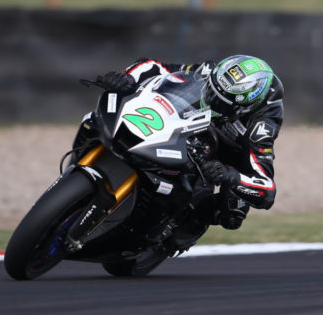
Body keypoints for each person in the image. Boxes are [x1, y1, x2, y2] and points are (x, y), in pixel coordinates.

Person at [77, 54, 283, 235]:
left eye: (220, 101)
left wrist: (228, 174)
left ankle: (170, 234)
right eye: (211, 90)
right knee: (93, 119)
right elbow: (155, 67)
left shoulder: (261, 127)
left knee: (232, 212)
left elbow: (267, 190)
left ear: (243, 108)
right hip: (190, 122)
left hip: (229, 151)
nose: (211, 99)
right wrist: (127, 77)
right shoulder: (213, 73)